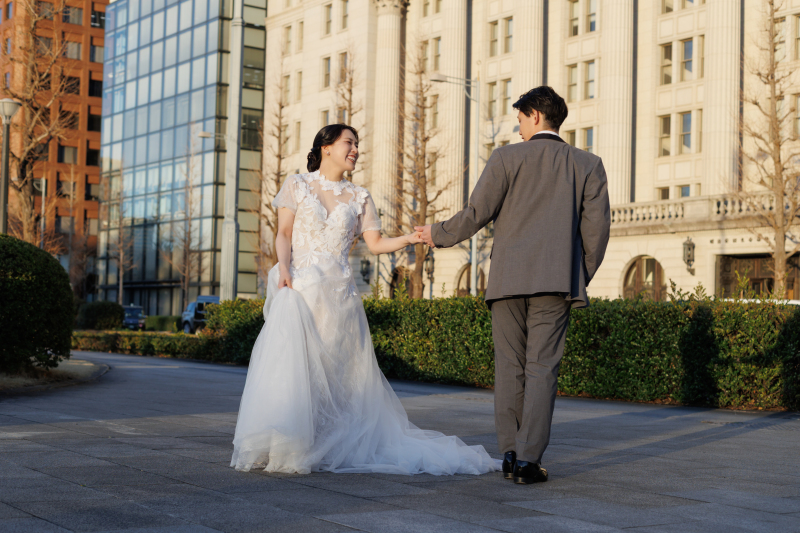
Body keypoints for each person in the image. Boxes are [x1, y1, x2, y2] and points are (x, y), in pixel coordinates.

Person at [230, 124, 500, 476]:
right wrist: (283, 269)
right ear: (326, 147)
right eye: (349, 143)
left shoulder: (359, 196)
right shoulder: (297, 185)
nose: (355, 149)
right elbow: (283, 234)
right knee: (296, 372)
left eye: (357, 144)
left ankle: (332, 443)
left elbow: (375, 244)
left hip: (340, 298)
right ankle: (292, 446)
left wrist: (409, 239)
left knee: (338, 376)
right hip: (300, 290)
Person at [416, 86, 611, 484]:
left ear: (535, 115)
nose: (518, 126)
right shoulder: (588, 164)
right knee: (542, 369)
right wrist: (578, 274)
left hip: (506, 281)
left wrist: (436, 234)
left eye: (520, 118)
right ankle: (528, 460)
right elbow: (597, 233)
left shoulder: (505, 158)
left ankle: (508, 452)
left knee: (509, 367)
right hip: (556, 282)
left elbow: (476, 214)